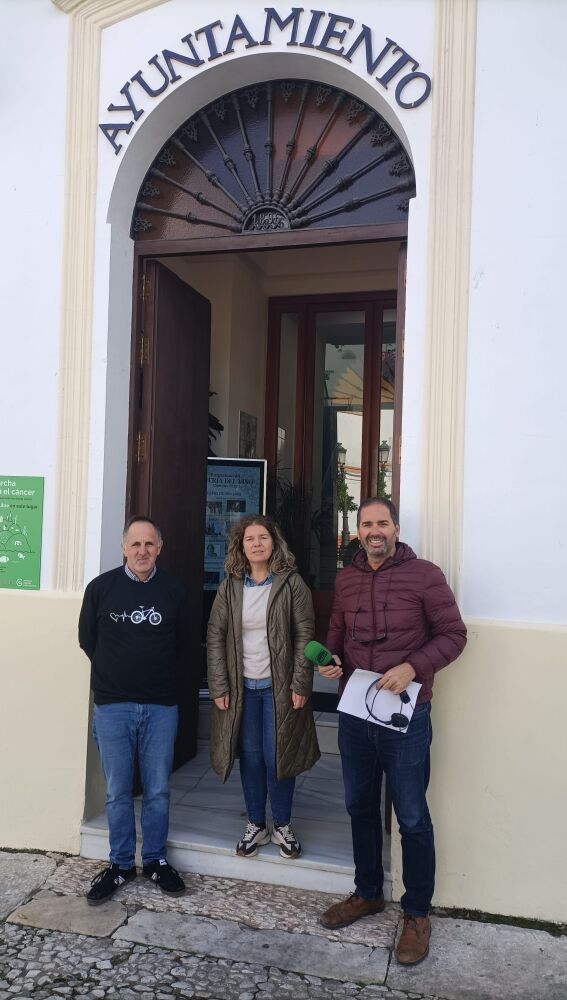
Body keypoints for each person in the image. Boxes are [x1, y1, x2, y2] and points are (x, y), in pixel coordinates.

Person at [318, 497, 467, 965]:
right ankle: (367, 893)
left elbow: (454, 634)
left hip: (407, 717)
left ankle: (417, 913)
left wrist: (413, 667)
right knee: (359, 805)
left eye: (382, 523)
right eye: (366, 524)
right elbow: (336, 632)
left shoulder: (426, 575)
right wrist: (332, 661)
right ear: (357, 531)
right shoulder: (346, 579)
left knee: (412, 816)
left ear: (396, 529)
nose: (374, 530)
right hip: (356, 714)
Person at [78, 515, 187, 905]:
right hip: (112, 706)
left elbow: (184, 645)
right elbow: (87, 639)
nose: (142, 551)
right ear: (123, 548)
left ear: (160, 548)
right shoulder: (101, 589)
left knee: (157, 790)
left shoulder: (174, 591)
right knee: (118, 792)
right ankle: (121, 864)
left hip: (160, 706)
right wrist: (117, 675)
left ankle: (156, 860)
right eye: (135, 544)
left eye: (150, 544)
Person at [207, 515, 319, 860]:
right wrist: (219, 684)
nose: (257, 543)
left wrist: (301, 682)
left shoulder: (292, 584)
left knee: (278, 756)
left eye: (263, 537)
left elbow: (305, 635)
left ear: (274, 543)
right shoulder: (230, 586)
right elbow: (215, 635)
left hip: (279, 688)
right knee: (252, 758)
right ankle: (256, 823)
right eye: (249, 539)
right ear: (241, 547)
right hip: (242, 689)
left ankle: (282, 824)